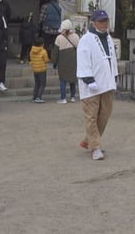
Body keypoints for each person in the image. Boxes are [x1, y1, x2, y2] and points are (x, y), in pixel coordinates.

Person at [77, 9, 118, 160]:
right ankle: (95, 147)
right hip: (91, 84)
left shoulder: (108, 38)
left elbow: (112, 59)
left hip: (107, 82)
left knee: (105, 114)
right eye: (101, 21)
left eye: (106, 21)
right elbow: (83, 60)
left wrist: (114, 76)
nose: (104, 24)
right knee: (91, 116)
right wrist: (88, 79)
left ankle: (88, 140)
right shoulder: (86, 39)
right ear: (93, 23)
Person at [52, 19, 79, 104]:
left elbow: (55, 52)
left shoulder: (59, 38)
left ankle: (63, 98)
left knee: (62, 80)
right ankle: (72, 97)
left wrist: (54, 62)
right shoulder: (76, 36)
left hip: (62, 61)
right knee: (72, 79)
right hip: (73, 60)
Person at [29, 37, 50, 103]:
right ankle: (39, 97)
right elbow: (46, 60)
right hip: (42, 69)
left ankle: (34, 97)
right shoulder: (43, 51)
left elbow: (31, 59)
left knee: (37, 83)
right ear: (42, 44)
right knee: (42, 84)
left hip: (35, 69)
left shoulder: (32, 51)